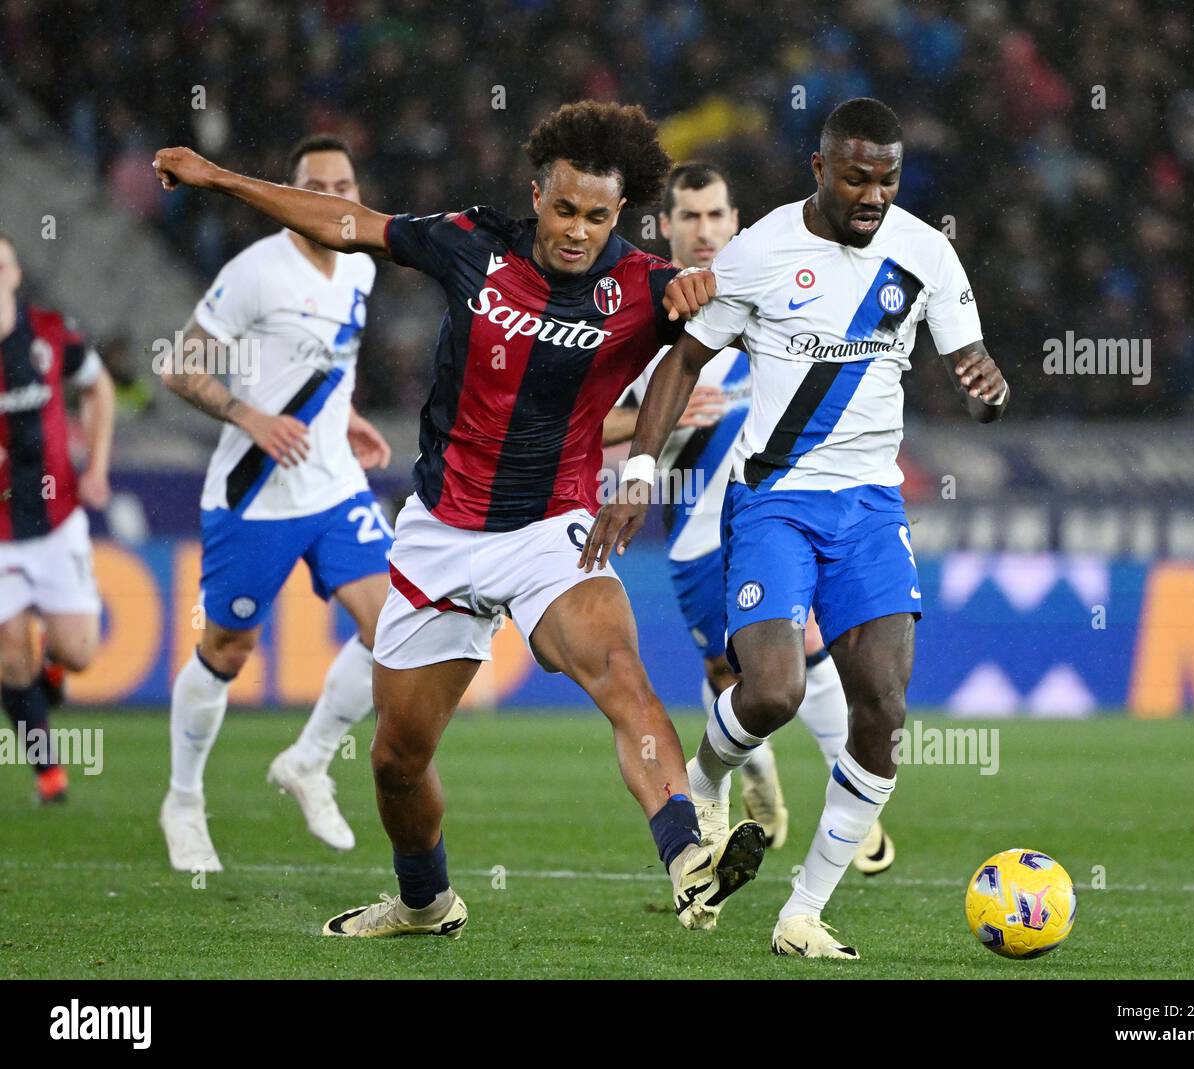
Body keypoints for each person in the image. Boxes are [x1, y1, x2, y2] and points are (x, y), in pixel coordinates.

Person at [153, 101, 765, 940]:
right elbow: (346, 221)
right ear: (536, 192)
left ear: (619, 213)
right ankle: (423, 902)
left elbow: (689, 351)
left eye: (596, 215)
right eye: (562, 208)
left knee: (623, 676)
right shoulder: (472, 242)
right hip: (439, 535)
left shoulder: (646, 287)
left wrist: (647, 460)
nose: (577, 230)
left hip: (554, 533)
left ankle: (688, 854)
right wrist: (222, 178)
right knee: (396, 760)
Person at [582, 98, 1009, 958]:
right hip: (774, 501)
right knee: (770, 689)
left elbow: (973, 361)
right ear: (820, 168)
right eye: (856, 176)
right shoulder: (762, 251)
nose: (873, 194)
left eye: (888, 178)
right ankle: (702, 781)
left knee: (883, 707)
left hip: (870, 506)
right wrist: (638, 471)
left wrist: (985, 383)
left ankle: (803, 911)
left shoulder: (925, 251)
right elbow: (684, 362)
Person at [603, 163, 894, 874]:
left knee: (814, 641)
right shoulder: (644, 319)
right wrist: (649, 421)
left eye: (715, 216)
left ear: (736, 223)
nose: (704, 231)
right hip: (698, 531)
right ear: (665, 226)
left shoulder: (767, 286)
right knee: (732, 673)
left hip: (779, 511)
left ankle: (850, 799)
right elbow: (585, 421)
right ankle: (750, 771)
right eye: (689, 217)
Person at [159, 135, 394, 871]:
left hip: (332, 484)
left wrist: (344, 416)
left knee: (394, 628)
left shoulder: (361, 265)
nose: (333, 196)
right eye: (315, 184)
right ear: (291, 194)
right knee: (228, 649)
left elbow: (331, 362)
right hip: (254, 492)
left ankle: (309, 760)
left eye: (344, 184)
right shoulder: (258, 270)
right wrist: (250, 416)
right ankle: (184, 799)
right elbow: (179, 364)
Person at [0, 230, 115, 803]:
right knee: (9, 653)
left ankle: (52, 673)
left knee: (79, 653)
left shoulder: (49, 331)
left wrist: (96, 465)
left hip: (57, 518)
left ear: (16, 274)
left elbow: (98, 388)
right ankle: (48, 770)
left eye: (1, 266)